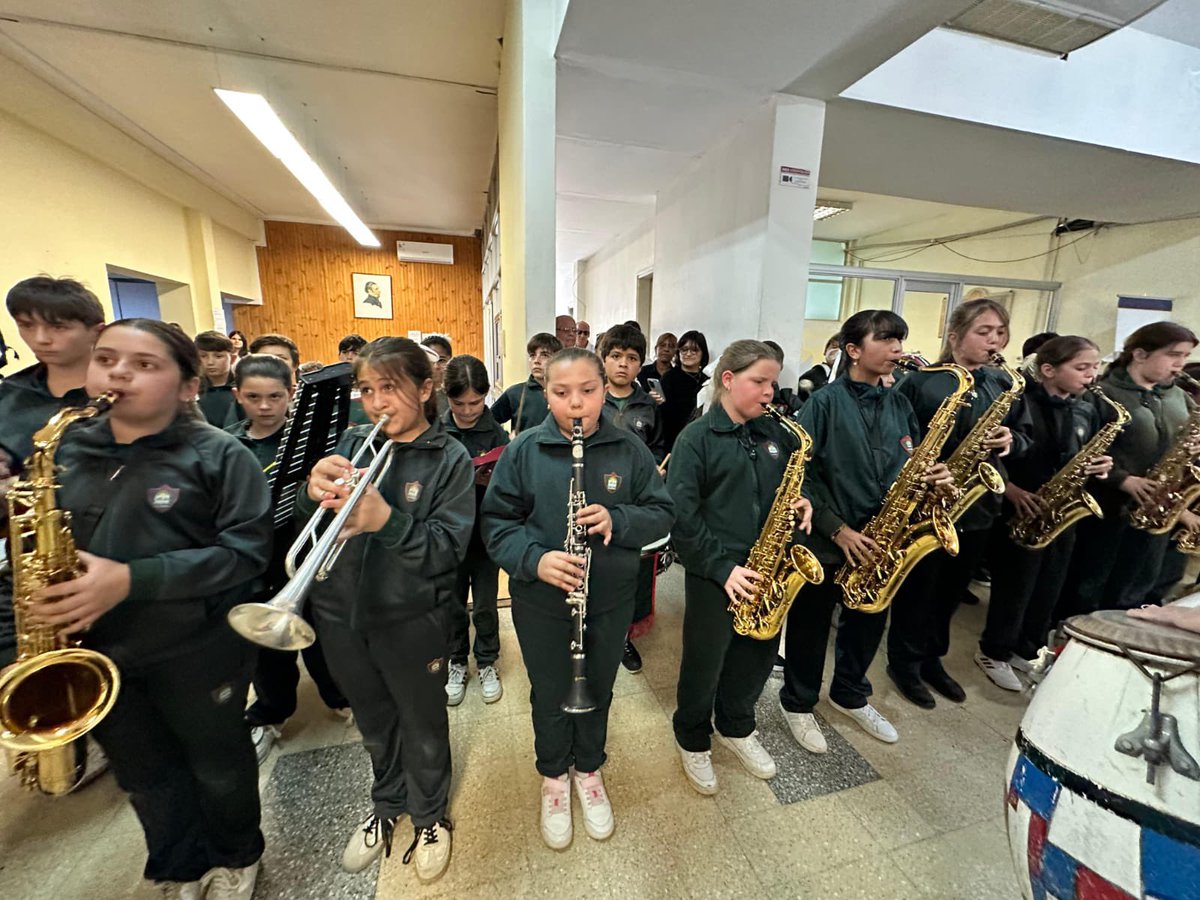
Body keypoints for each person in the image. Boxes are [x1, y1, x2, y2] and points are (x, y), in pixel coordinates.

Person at [35, 318, 272, 898]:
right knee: (143, 773)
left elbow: (245, 554)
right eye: (106, 359)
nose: (118, 374)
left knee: (217, 762)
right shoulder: (63, 450)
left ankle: (237, 853)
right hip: (97, 651)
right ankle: (176, 863)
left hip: (199, 645)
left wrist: (130, 580)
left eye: (144, 364)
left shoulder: (221, 455)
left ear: (188, 386)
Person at [481, 348, 674, 850]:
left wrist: (618, 520)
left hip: (608, 599)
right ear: (545, 394)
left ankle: (589, 768)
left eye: (587, 391)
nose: (575, 404)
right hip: (541, 602)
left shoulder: (628, 448)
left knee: (599, 686)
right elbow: (496, 524)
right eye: (561, 393)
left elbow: (661, 513)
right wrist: (536, 560)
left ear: (604, 390)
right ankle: (553, 774)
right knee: (549, 690)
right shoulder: (524, 450)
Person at [300, 337, 473, 884]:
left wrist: (387, 521)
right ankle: (387, 800)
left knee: (422, 722)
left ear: (424, 389)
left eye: (390, 388)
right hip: (342, 612)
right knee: (373, 720)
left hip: (413, 617)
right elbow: (315, 517)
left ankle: (429, 815)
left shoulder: (450, 458)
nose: (376, 403)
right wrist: (312, 491)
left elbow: (447, 549)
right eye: (367, 390)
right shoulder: (353, 441)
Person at [779, 311, 953, 750]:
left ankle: (850, 693)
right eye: (887, 339)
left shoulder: (899, 404)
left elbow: (910, 460)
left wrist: (932, 477)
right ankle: (798, 702)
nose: (897, 349)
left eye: (900, 340)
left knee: (869, 618)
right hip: (828, 537)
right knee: (810, 625)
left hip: (882, 537)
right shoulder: (823, 403)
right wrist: (836, 529)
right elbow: (799, 475)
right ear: (854, 350)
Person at [668, 340, 814, 792]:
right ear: (728, 380)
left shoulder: (775, 435)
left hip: (767, 568)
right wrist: (721, 568)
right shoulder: (696, 439)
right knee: (705, 659)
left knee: (757, 653)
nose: (770, 392)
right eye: (759, 381)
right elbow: (682, 517)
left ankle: (736, 725)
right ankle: (692, 736)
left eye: (773, 382)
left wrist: (804, 502)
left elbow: (791, 487)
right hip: (716, 571)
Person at [886, 298, 1018, 709]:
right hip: (928, 502)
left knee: (952, 591)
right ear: (956, 335)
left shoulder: (1001, 383)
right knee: (920, 589)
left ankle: (932, 658)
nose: (994, 341)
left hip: (977, 504)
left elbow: (1022, 435)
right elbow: (895, 437)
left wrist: (1011, 439)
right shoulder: (923, 382)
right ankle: (904, 662)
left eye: (1000, 333)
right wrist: (926, 466)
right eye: (984, 332)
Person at [226, 354, 350, 760]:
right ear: (237, 395)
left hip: (301, 547)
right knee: (265, 646)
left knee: (321, 630)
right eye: (253, 397)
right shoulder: (228, 446)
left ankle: (339, 695)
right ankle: (270, 712)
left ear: (292, 394)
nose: (265, 406)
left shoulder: (313, 440)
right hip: (253, 556)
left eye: (275, 397)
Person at [975, 336, 1114, 689]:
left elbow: (1085, 452)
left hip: (1061, 510)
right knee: (1015, 586)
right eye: (1081, 368)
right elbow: (991, 454)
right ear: (1049, 370)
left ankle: (1026, 647)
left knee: (1049, 584)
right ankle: (994, 650)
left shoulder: (1085, 408)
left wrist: (1101, 466)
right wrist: (1010, 489)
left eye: (1094, 367)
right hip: (1021, 504)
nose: (1091, 375)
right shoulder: (1021, 402)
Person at [0, 276, 105, 669]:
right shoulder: (8, 397)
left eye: (58, 327)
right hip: (31, 569)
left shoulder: (130, 394)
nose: (40, 339)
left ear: (97, 331)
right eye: (27, 325)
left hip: (111, 563)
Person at [1058, 322, 1199, 616]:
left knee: (1139, 587)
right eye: (1173, 354)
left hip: (1157, 509)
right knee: (1089, 585)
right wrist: (1123, 479)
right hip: (1108, 507)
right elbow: (1081, 451)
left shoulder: (1179, 396)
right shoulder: (1102, 394)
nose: (1180, 364)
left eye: (1185, 356)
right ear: (1140, 354)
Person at [442, 354, 510, 706]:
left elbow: (510, 487)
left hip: (485, 535)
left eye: (476, 402)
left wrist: (492, 479)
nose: (468, 411)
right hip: (448, 536)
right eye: (459, 404)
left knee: (484, 604)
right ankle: (456, 661)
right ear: (447, 397)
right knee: (452, 604)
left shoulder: (496, 432)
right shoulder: (436, 431)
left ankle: (486, 661)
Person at [599, 325, 665, 674]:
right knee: (595, 568)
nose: (623, 364)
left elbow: (659, 446)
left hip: (634, 501)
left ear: (641, 364)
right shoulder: (593, 398)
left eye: (632, 358)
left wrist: (657, 465)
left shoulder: (649, 405)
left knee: (631, 571)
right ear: (603, 359)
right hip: (596, 498)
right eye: (615, 356)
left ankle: (623, 635)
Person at [491, 333, 562, 434]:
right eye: (532, 355)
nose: (536, 361)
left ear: (558, 360)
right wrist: (506, 439)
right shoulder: (515, 393)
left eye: (545, 355)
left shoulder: (567, 393)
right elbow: (488, 423)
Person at [660, 330, 710, 452]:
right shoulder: (669, 378)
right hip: (673, 441)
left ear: (703, 353)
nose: (688, 354)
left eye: (694, 350)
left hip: (701, 441)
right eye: (684, 349)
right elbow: (664, 414)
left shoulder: (707, 381)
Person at [195, 330, 239, 427]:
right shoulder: (192, 391)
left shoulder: (242, 388)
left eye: (218, 356)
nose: (210, 362)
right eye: (203, 356)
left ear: (232, 358)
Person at [421, 335, 453, 416]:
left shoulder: (455, 392)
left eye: (441, 360)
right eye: (430, 360)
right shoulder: (416, 393)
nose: (436, 366)